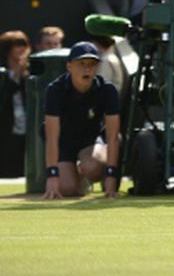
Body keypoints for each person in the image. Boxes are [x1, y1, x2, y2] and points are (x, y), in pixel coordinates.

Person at [42, 42, 121, 199]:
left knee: (92, 167)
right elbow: (52, 137)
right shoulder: (54, 90)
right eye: (81, 64)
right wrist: (52, 176)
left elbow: (113, 136)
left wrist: (111, 177)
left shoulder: (107, 90)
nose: (87, 69)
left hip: (90, 140)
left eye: (92, 64)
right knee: (67, 188)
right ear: (69, 66)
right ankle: (77, 178)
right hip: (62, 141)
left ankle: (90, 171)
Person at [0, 31, 31, 177]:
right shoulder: (3, 75)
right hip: (6, 133)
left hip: (26, 131)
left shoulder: (30, 76)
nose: (22, 49)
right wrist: (16, 74)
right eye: (17, 45)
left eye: (24, 45)